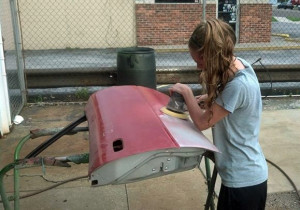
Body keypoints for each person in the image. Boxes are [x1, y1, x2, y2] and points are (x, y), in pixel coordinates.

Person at [169, 18, 268, 210]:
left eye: (199, 60)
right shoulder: (241, 65)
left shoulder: (238, 86)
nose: (198, 67)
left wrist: (188, 94)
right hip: (243, 177)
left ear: (212, 55)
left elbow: (201, 122)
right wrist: (208, 97)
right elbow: (231, 97)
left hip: (242, 181)